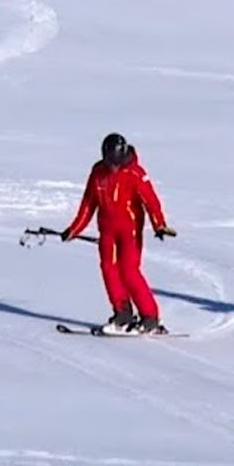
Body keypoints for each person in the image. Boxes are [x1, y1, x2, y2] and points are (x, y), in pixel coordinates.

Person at [61, 133, 177, 334]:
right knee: (109, 269)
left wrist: (159, 225)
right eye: (110, 162)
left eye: (117, 162)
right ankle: (122, 314)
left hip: (129, 230)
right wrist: (74, 229)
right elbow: (88, 203)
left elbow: (150, 200)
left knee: (129, 271)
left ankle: (150, 317)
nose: (114, 167)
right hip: (107, 230)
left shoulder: (135, 173)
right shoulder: (98, 172)